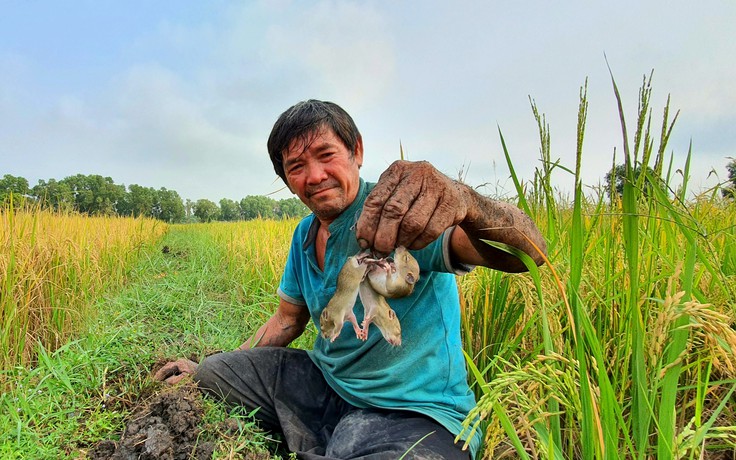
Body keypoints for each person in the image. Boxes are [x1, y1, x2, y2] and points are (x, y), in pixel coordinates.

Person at [154, 100, 547, 459]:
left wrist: (466, 203)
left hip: (411, 413)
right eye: (296, 167)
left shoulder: (400, 215)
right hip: (327, 386)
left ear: (356, 151)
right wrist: (206, 364)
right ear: (286, 179)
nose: (315, 176)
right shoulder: (305, 235)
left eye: (326, 155)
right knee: (212, 373)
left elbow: (529, 253)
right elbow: (287, 320)